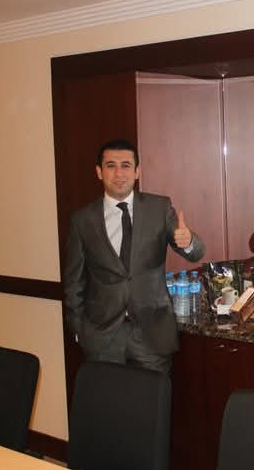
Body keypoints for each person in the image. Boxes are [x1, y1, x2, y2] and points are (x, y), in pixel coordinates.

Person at [63, 139, 205, 373]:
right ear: (99, 172)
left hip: (151, 336)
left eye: (126, 165)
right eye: (111, 165)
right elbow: (73, 283)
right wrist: (80, 331)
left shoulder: (159, 208)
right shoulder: (82, 220)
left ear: (137, 171)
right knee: (107, 397)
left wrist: (188, 241)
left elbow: (196, 253)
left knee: (153, 396)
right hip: (102, 339)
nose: (119, 173)